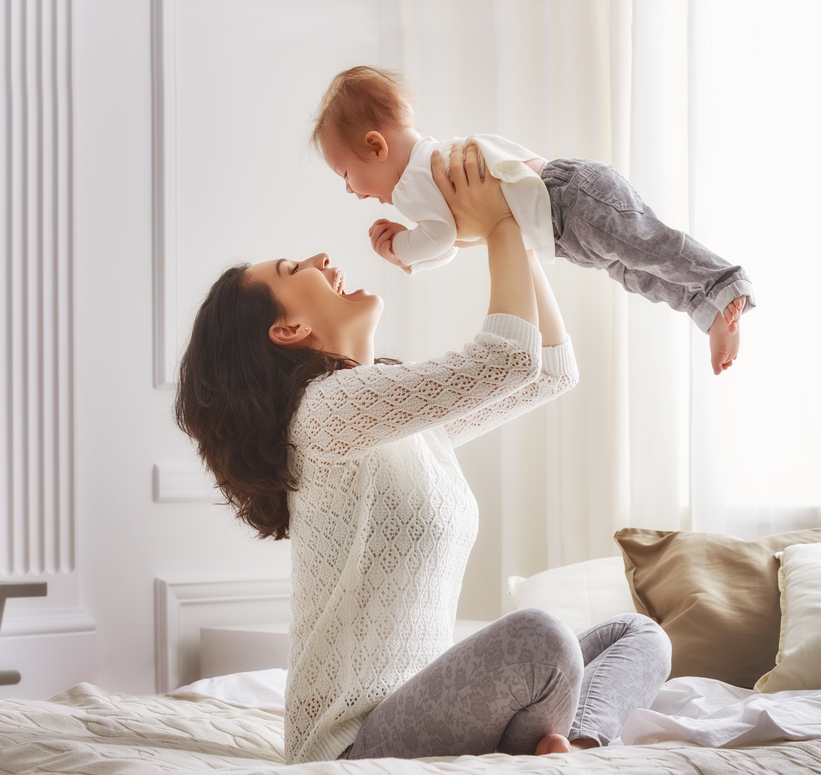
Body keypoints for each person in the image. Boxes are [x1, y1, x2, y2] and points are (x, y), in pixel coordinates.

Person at [175, 143, 671, 764]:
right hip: (353, 743)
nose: (322, 259)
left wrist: (510, 218)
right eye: (293, 268)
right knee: (539, 637)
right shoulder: (326, 412)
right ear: (288, 330)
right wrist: (494, 225)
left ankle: (575, 744)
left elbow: (548, 372)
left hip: (422, 714)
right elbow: (507, 358)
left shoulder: (391, 422)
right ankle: (550, 742)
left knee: (637, 634)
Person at [312, 65, 756, 375]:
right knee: (635, 270)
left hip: (569, 200)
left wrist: (401, 248)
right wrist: (415, 254)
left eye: (346, 174)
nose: (351, 190)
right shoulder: (429, 168)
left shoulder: (414, 182)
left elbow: (441, 236)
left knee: (646, 247)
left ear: (376, 146)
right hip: (563, 228)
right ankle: (706, 309)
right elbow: (455, 240)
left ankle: (725, 282)